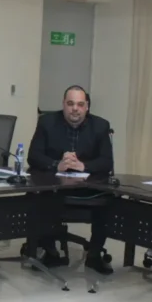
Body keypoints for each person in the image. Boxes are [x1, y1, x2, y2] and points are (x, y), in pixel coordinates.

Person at [27, 85, 115, 275]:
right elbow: (33, 156)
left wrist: (83, 166)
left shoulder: (101, 126)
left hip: (87, 188)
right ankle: (51, 252)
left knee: (111, 200)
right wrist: (56, 165)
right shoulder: (47, 122)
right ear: (63, 105)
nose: (75, 108)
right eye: (70, 103)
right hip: (55, 187)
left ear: (87, 107)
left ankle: (94, 255)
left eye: (80, 104)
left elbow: (107, 162)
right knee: (39, 197)